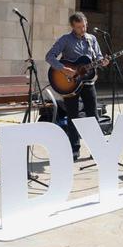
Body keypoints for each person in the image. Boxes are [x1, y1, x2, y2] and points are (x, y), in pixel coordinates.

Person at [46, 12, 109, 161]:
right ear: (73, 27)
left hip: (88, 82)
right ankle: (74, 148)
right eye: (79, 27)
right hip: (70, 83)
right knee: (73, 116)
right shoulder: (65, 40)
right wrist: (62, 68)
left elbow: (98, 57)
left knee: (93, 115)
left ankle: (96, 147)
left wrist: (103, 61)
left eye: (85, 25)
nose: (83, 29)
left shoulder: (91, 39)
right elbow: (49, 56)